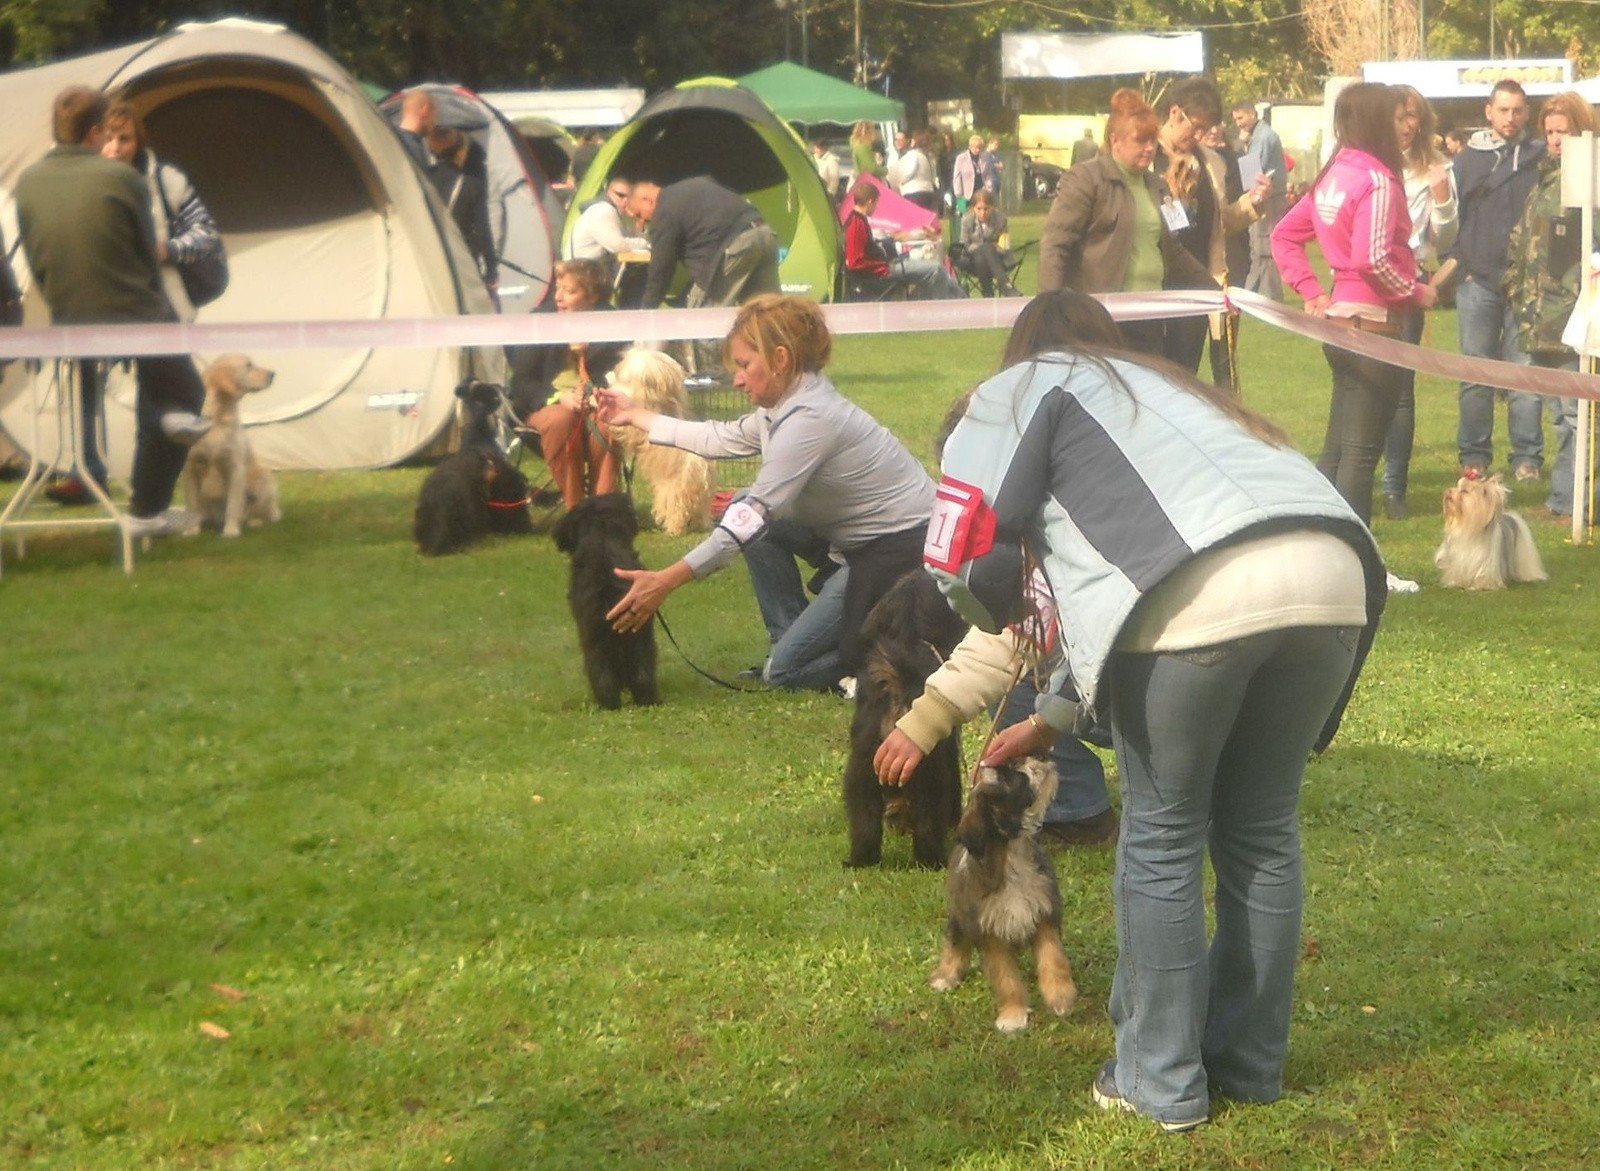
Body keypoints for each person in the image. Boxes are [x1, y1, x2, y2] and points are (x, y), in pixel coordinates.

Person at [928, 287, 1385, 1132]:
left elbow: (960, 547)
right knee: (1264, 829)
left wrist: (997, 615)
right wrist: (1057, 712)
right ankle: (1249, 1066)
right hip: (1336, 572)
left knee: (1164, 832)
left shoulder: (1021, 387)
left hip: (1195, 593)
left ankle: (1160, 1078)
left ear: (1021, 348)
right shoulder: (1178, 389)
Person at [596, 295, 935, 692]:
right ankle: (790, 640)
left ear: (780, 359)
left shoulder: (809, 420)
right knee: (740, 504)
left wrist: (665, 580)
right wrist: (636, 414)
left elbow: (749, 522)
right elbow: (718, 437)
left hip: (895, 553)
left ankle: (873, 664)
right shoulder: (788, 404)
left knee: (784, 675)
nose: (737, 378)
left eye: (744, 365)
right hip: (858, 544)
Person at [14, 86, 211, 533]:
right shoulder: (123, 180)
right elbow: (147, 258)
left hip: (65, 321)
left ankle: (105, 461)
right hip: (135, 316)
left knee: (161, 390)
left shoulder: (26, 182)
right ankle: (148, 509)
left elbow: (35, 258)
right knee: (185, 394)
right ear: (92, 132)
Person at [1272, 82, 1438, 528]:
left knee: (1339, 450)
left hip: (1339, 325)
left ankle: (1316, 542)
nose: (1403, 125)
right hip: (1374, 327)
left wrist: (1313, 291)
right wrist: (1415, 291)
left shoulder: (1333, 174)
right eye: (1396, 116)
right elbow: (1373, 259)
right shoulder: (1378, 181)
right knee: (1361, 458)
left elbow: (1283, 236)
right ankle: (1356, 562)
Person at [1037, 89, 1216, 361]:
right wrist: (1050, 312)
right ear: (1115, 140)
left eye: (1152, 141)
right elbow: (1055, 247)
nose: (1149, 148)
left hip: (1151, 320)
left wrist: (1214, 289)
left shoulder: (1158, 186)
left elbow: (1174, 251)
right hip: (1099, 322)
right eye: (1140, 140)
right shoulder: (1084, 180)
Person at [1503, 90, 1598, 522]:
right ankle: (1563, 498)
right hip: (1538, 315)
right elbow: (1525, 243)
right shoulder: (1545, 177)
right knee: (1561, 415)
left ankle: (1578, 503)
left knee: (1581, 417)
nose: (1556, 139)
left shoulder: (1592, 177)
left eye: (1563, 131)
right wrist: (1515, 289)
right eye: (1550, 132)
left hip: (1574, 314)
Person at [1447, 79, 1547, 479]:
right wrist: (1460, 264)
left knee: (1525, 375)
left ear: (1527, 113)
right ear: (1489, 112)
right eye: (1503, 110)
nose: (1511, 118)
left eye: (1518, 110)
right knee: (1475, 376)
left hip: (1525, 285)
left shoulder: (1540, 155)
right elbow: (1449, 216)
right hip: (1478, 281)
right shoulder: (1468, 159)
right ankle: (1474, 456)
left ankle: (1527, 458)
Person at [1149, 77, 1271, 374]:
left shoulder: (1210, 162)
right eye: (1196, 126)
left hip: (1198, 286)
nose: (1201, 135)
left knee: (1185, 374)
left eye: (1207, 128)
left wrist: (1251, 204)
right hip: (1153, 285)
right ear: (1175, 113)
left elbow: (1218, 224)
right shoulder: (1147, 155)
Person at [1380, 85, 1458, 521]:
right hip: (1360, 287)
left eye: (1413, 116)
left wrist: (1443, 197)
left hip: (1406, 283)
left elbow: (1446, 239)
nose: (1406, 124)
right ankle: (1352, 478)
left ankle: (1394, 487)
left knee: (1400, 391)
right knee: (1361, 383)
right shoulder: (1364, 160)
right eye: (1398, 115)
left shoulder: (1436, 167)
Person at [517, 259, 627, 510]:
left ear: (592, 297)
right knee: (559, 419)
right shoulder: (539, 321)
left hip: (596, 400)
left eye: (570, 291)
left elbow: (621, 374)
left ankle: (606, 507)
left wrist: (596, 393)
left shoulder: (613, 323)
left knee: (609, 423)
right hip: (550, 405)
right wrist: (558, 398)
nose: (559, 297)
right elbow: (522, 382)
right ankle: (575, 508)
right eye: (558, 289)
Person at [627, 178, 781, 311]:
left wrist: (647, 309)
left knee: (700, 324)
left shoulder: (663, 211)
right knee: (768, 315)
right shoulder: (699, 184)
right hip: (764, 234)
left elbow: (661, 268)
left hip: (735, 246)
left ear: (647, 200)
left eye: (639, 214)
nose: (642, 221)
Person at [843, 181, 966, 301]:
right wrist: (884, 266)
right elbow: (856, 263)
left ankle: (960, 299)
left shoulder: (857, 220)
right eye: (876, 203)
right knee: (935, 269)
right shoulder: (856, 224)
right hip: (882, 272)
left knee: (934, 266)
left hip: (885, 264)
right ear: (869, 202)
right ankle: (950, 304)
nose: (876, 207)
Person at [425, 124, 498, 297]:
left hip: (430, 255)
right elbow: (482, 229)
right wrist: (491, 269)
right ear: (461, 152)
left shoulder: (422, 179)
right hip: (463, 258)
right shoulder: (471, 185)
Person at [1233, 99, 1288, 301]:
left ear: (1252, 115)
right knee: (1260, 247)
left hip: (1268, 198)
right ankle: (1251, 294)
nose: (1238, 123)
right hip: (1269, 196)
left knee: (1264, 246)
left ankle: (1271, 298)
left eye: (1241, 118)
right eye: (1236, 119)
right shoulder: (1259, 135)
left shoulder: (1262, 138)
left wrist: (1240, 146)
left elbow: (1250, 173)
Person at [565, 175, 648, 281]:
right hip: (580, 275)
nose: (625, 201)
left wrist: (639, 223)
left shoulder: (612, 212)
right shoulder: (603, 211)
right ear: (608, 191)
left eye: (629, 197)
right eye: (620, 195)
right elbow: (619, 246)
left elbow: (627, 237)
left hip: (586, 270)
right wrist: (646, 244)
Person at [957, 190, 1018, 298]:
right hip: (971, 260)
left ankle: (988, 293)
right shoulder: (967, 220)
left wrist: (992, 248)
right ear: (973, 208)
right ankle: (1006, 285)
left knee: (983, 256)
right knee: (984, 249)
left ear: (992, 207)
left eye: (986, 209)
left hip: (998, 259)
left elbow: (1005, 247)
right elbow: (964, 245)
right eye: (979, 209)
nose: (982, 213)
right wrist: (984, 247)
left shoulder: (1000, 219)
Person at [890, 129, 939, 213]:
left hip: (913, 192)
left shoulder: (913, 155)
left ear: (915, 141)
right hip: (928, 191)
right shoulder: (929, 156)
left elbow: (909, 171)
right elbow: (933, 175)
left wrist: (900, 181)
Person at [951, 134, 998, 217]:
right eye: (975, 147)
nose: (978, 150)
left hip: (980, 191)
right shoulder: (961, 158)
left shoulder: (986, 158)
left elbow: (988, 176)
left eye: (980, 148)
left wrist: (989, 190)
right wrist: (959, 195)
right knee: (963, 216)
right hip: (965, 193)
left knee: (981, 215)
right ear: (970, 147)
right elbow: (957, 177)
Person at [395, 89, 437, 170]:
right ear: (425, 111)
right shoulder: (415, 150)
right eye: (434, 117)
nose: (434, 124)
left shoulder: (388, 134)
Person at [811, 135, 841, 202]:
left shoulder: (832, 160)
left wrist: (830, 195)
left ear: (824, 148)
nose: (816, 150)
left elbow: (834, 180)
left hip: (826, 195)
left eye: (818, 148)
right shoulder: (813, 158)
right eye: (815, 148)